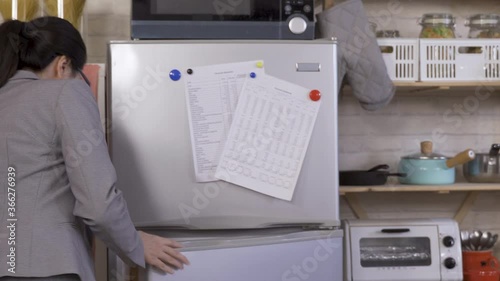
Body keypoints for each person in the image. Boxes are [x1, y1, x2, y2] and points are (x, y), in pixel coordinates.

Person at [0, 17, 189, 280]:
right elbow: (97, 203)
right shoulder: (65, 92)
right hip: (49, 268)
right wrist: (134, 242)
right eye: (79, 72)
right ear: (63, 64)